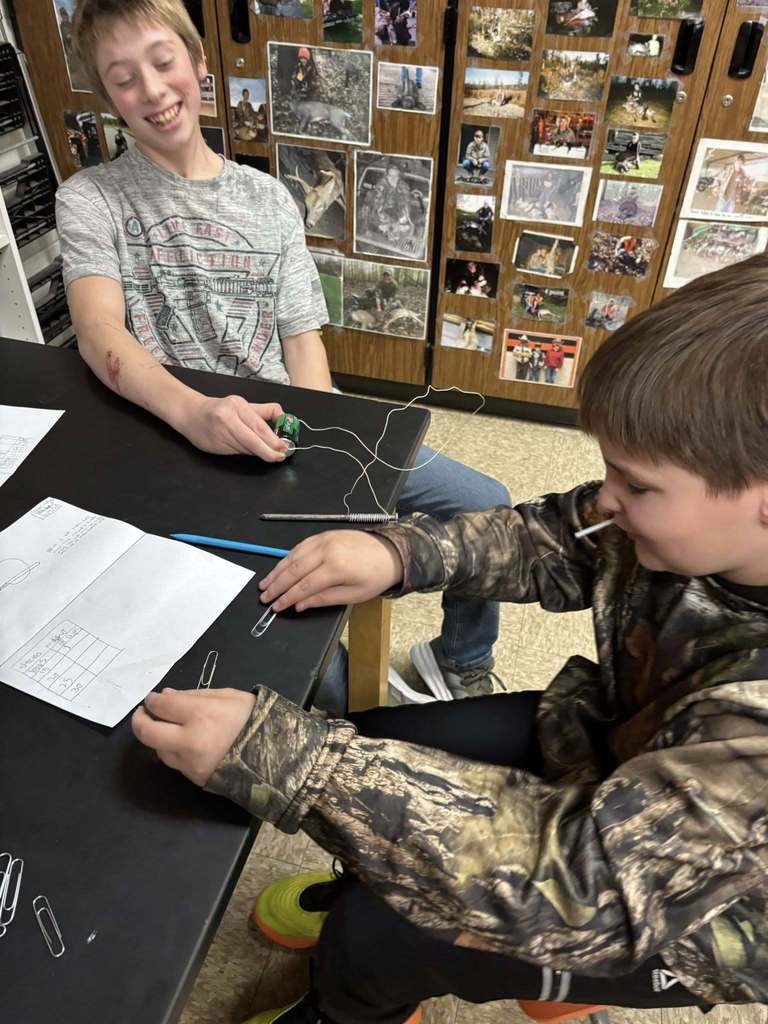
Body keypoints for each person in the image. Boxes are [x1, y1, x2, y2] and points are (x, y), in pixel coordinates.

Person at [132, 254, 768, 1023]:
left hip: (676, 914)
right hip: (616, 743)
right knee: (379, 745)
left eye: (636, 484)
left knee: (379, 937)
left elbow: (580, 886)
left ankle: (350, 1010)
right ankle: (367, 890)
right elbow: (563, 536)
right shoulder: (683, 525)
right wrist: (401, 552)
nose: (608, 497)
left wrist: (286, 759)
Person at [60, 0, 510, 706]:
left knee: (485, 505)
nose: (150, 90)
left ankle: (457, 661)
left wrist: (333, 468)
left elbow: (304, 344)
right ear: (105, 95)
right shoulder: (92, 199)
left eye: (162, 61)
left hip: (290, 427)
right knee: (322, 676)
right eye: (123, 78)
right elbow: (99, 332)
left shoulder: (269, 198)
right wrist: (197, 413)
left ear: (198, 64)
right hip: (180, 442)